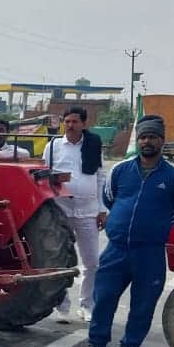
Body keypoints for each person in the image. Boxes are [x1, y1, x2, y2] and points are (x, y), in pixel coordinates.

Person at [73, 115, 174, 347]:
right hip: (116, 249)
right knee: (104, 297)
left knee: (143, 304)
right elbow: (109, 198)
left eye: (152, 137)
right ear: (138, 141)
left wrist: (156, 224)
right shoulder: (121, 170)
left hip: (149, 253)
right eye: (143, 137)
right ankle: (96, 346)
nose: (147, 142)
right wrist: (123, 220)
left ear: (162, 140)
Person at [41, 106, 106, 323]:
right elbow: (43, 176)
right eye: (67, 121)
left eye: (75, 122)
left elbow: (100, 177)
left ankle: (87, 305)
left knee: (92, 262)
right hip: (61, 211)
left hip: (87, 211)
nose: (70, 125)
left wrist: (102, 209)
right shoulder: (53, 146)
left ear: (83, 124)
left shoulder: (93, 145)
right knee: (60, 261)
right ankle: (61, 306)